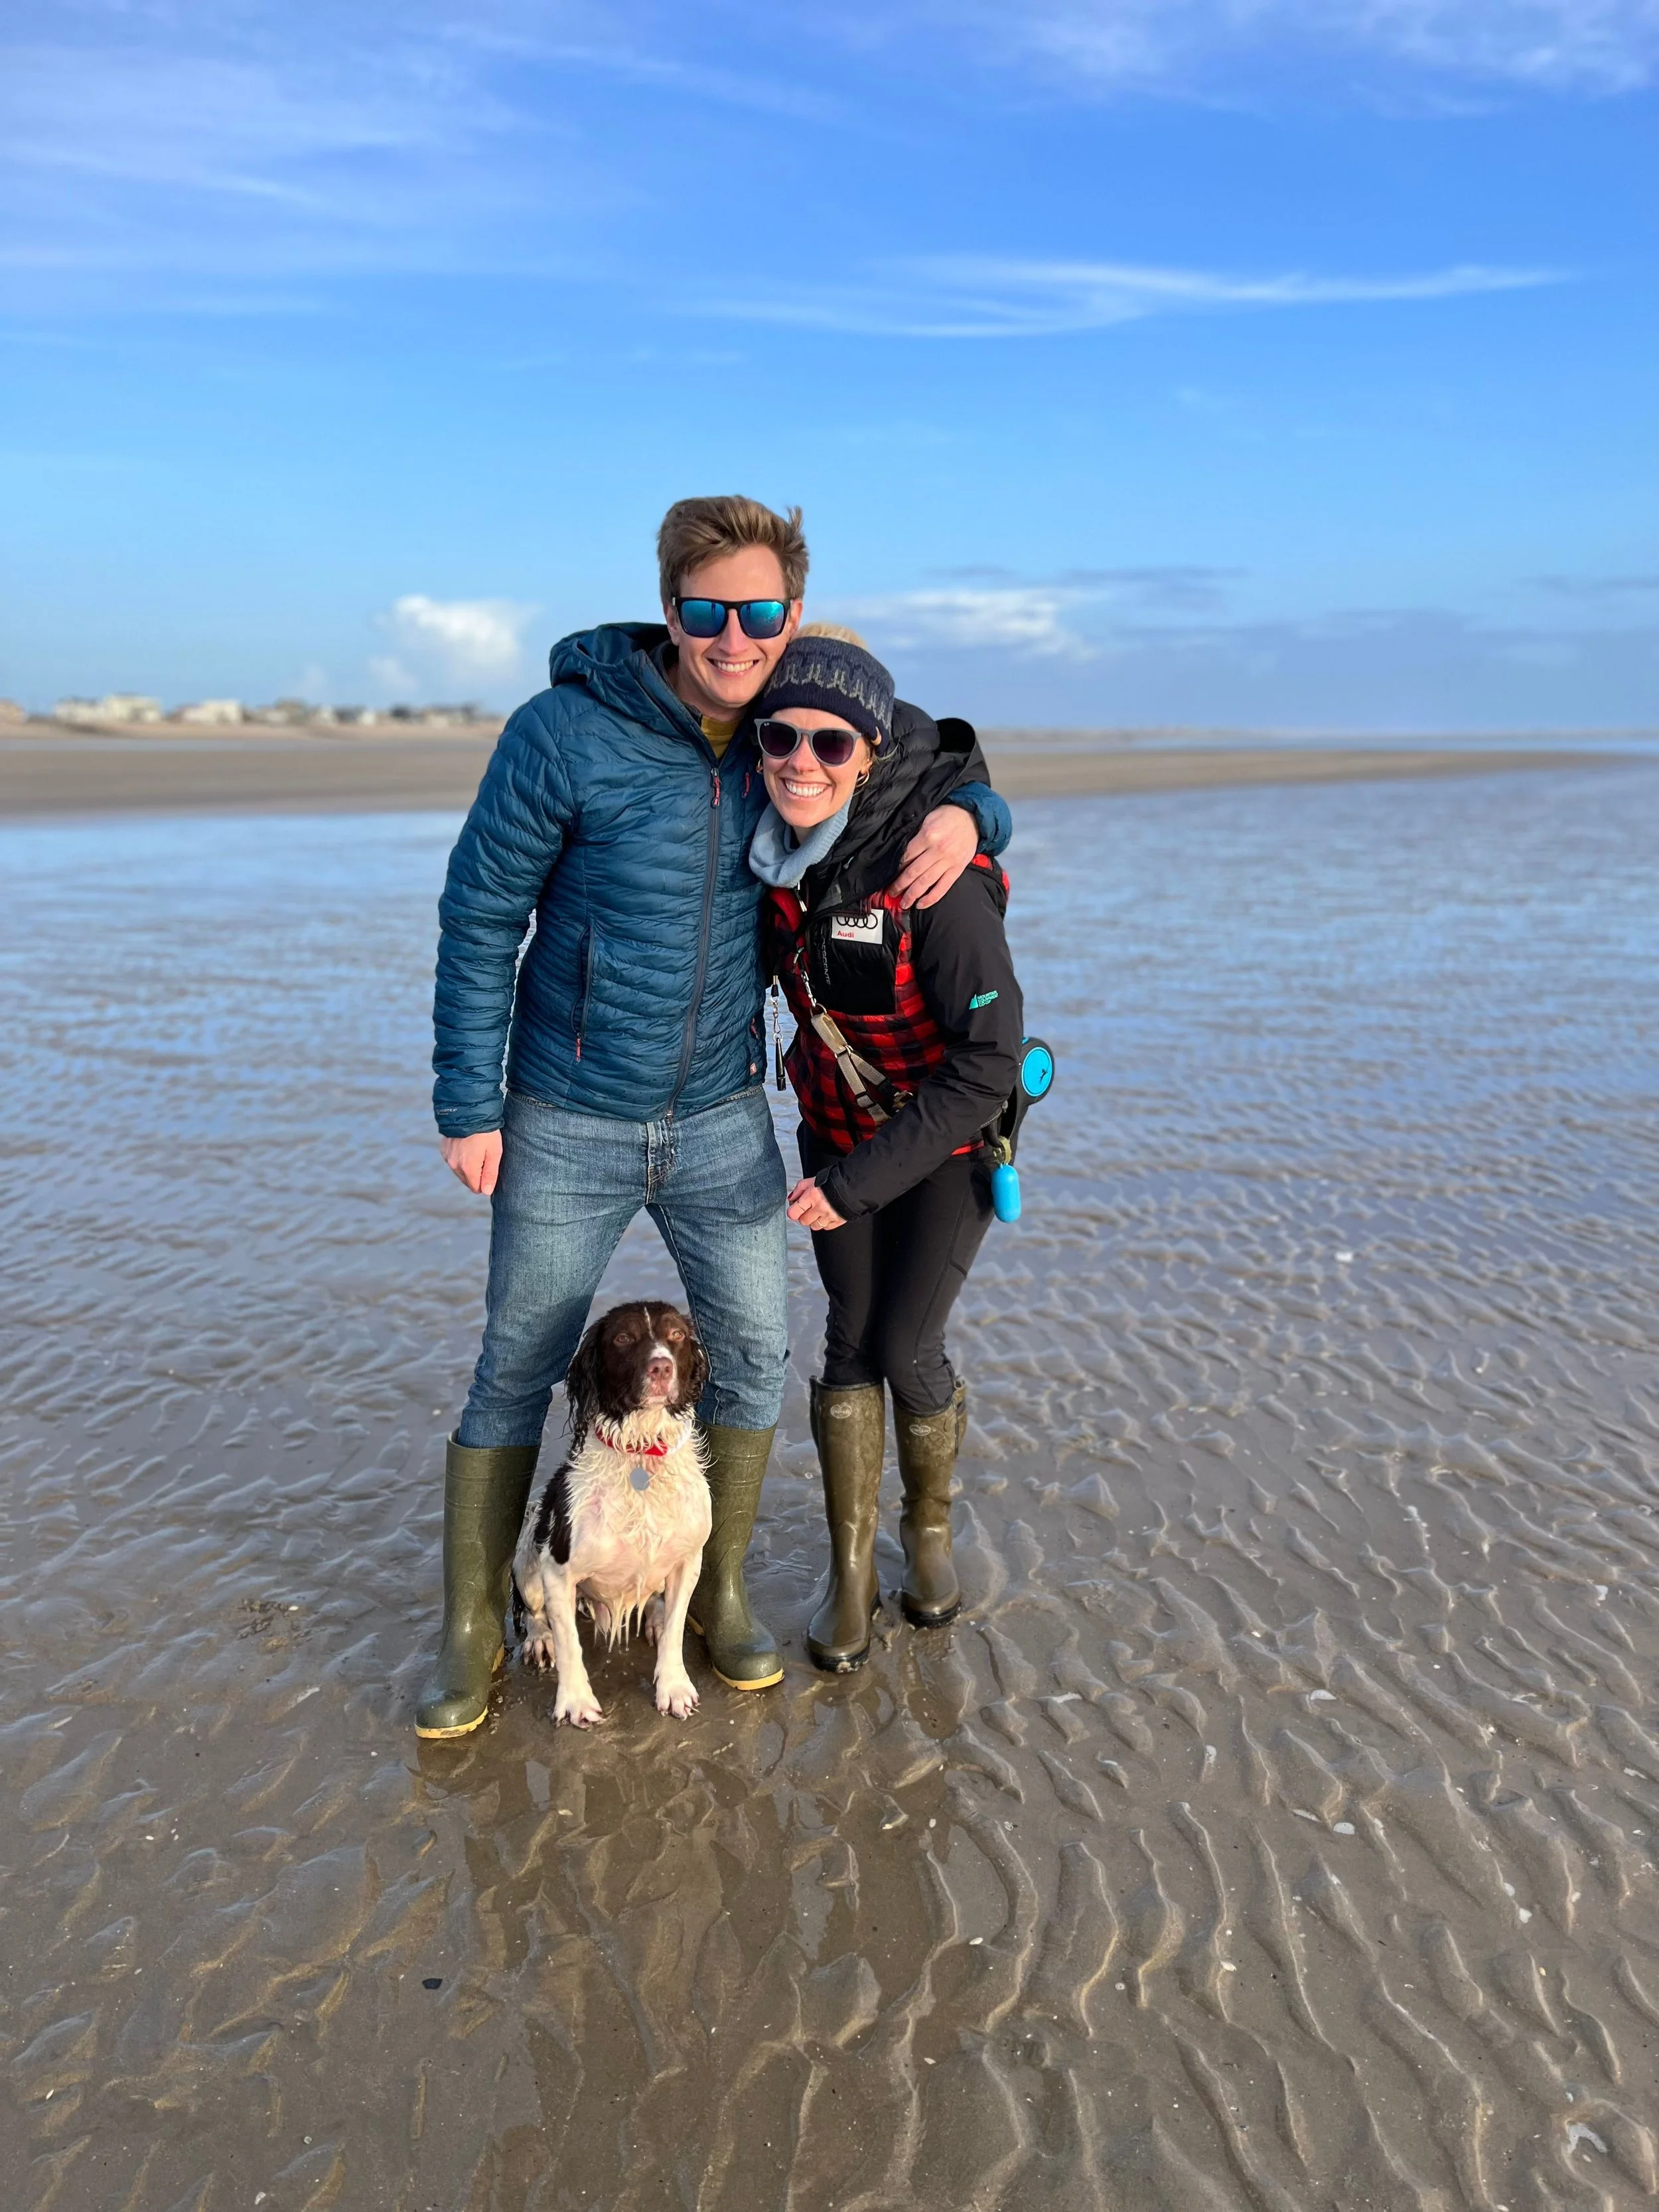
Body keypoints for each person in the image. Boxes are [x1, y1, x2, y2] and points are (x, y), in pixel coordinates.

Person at [419, 497, 1011, 1737]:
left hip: (723, 1113)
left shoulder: (785, 728)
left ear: (790, 616)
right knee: (516, 1368)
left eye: (758, 613)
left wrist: (975, 816)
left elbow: (927, 764)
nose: (733, 637)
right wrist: (468, 1101)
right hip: (566, 1114)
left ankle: (720, 1594)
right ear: (669, 608)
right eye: (706, 611)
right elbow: (480, 916)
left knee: (751, 1351)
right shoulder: (562, 733)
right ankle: (475, 1626)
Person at [749, 628, 1024, 1672]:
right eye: (782, 736)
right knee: (848, 1346)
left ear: (870, 751)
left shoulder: (934, 875)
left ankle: (931, 1538)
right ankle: (849, 1571)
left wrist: (854, 1184)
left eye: (832, 743)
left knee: (908, 1350)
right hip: (836, 1133)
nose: (802, 761)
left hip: (940, 1149)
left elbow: (988, 1061)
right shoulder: (767, 858)